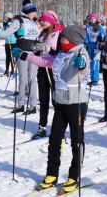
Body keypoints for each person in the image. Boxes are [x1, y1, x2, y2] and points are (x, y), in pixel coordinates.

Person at [15, 24, 89, 195]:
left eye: (63, 37)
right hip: (61, 103)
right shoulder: (61, 54)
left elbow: (85, 67)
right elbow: (44, 61)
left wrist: (82, 64)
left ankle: (74, 176)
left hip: (76, 103)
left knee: (77, 140)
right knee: (54, 139)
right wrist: (24, 55)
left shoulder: (80, 53)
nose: (60, 40)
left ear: (72, 39)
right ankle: (51, 174)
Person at [0, 0, 39, 115]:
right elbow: (8, 32)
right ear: (28, 12)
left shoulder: (33, 22)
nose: (35, 14)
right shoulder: (19, 20)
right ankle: (21, 104)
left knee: (32, 80)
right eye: (33, 12)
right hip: (22, 52)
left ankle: (33, 106)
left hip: (34, 53)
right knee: (22, 78)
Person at [31, 10, 63, 140]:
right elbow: (38, 53)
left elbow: (60, 52)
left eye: (43, 20)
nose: (41, 22)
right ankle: (42, 127)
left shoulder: (59, 33)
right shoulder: (42, 33)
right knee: (43, 100)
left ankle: (58, 126)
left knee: (56, 100)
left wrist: (48, 49)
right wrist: (36, 49)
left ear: (50, 21)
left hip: (54, 70)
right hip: (42, 69)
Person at [84, 13, 104, 86]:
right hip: (90, 45)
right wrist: (85, 43)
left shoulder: (100, 27)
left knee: (95, 63)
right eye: (91, 18)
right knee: (91, 62)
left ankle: (95, 79)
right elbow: (86, 36)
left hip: (96, 46)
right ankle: (92, 78)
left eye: (94, 18)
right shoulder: (87, 27)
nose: (92, 20)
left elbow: (101, 36)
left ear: (96, 19)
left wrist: (99, 43)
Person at [1, 12, 16, 77]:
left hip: (12, 42)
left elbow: (11, 32)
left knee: (12, 57)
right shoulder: (5, 24)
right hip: (7, 42)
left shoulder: (12, 23)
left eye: (6, 17)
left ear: (8, 17)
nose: (5, 18)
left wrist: (7, 26)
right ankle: (6, 70)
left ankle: (13, 70)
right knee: (7, 57)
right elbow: (3, 32)